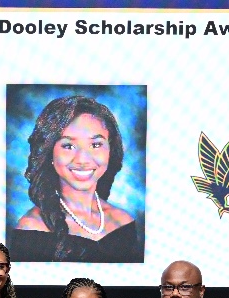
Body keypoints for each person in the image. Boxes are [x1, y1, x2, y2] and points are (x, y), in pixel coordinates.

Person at [11, 94, 142, 265]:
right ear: (49, 152)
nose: (82, 159)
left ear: (110, 150)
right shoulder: (30, 230)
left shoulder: (123, 221)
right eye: (68, 146)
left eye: (95, 145)